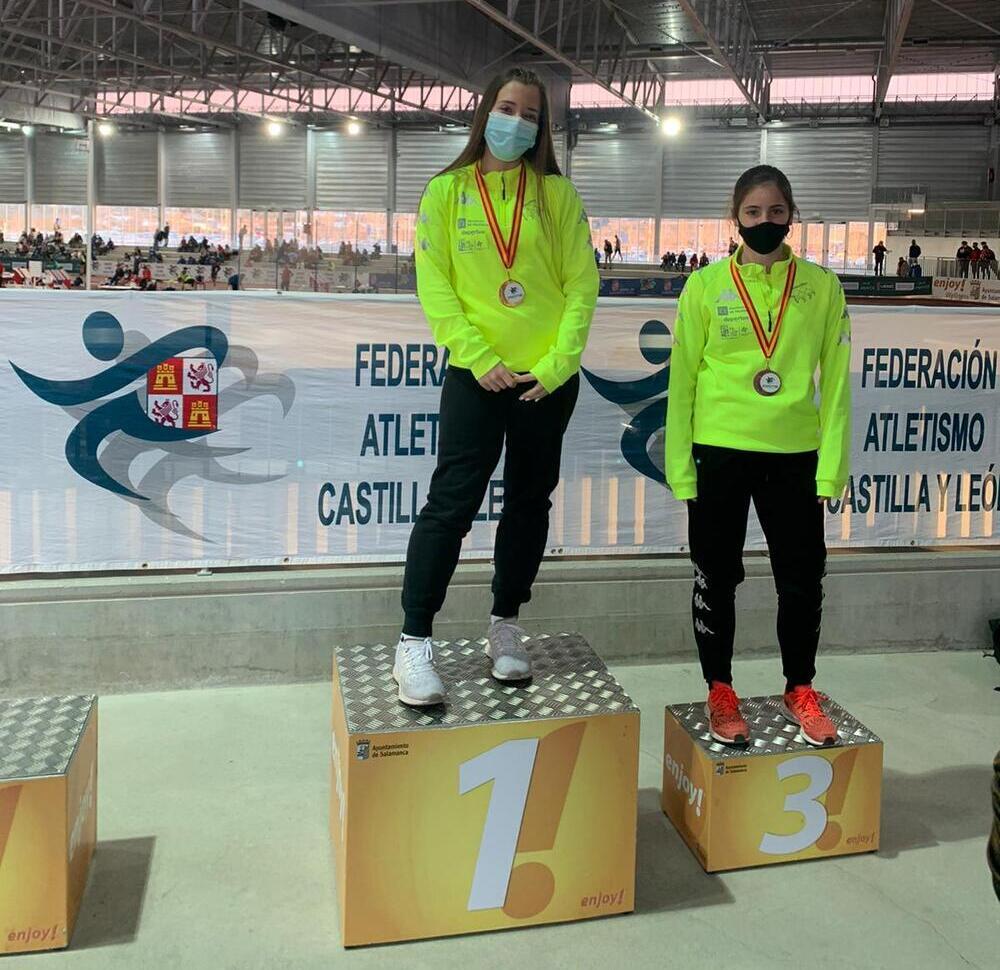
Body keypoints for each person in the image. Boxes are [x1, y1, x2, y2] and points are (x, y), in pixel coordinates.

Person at [397, 66, 598, 706]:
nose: (518, 122)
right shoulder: (446, 192)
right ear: (486, 112)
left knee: (528, 504)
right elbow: (436, 286)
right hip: (475, 375)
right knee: (451, 504)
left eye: (531, 115)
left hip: (544, 381)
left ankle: (505, 625)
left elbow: (580, 285)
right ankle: (413, 641)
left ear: (542, 129)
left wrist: (559, 363)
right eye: (508, 108)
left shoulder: (556, 198)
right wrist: (478, 355)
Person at [665, 164, 851, 748]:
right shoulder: (704, 287)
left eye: (775, 212)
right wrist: (679, 467)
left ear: (791, 215)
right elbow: (683, 382)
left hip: (795, 453)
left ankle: (801, 686)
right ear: (735, 218)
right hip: (719, 452)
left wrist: (832, 465)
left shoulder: (822, 287)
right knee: (716, 577)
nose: (765, 223)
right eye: (753, 213)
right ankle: (720, 688)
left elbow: (839, 383)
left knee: (801, 579)